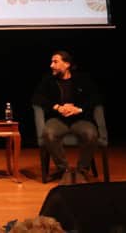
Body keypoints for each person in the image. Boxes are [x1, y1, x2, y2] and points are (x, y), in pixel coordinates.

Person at [31, 50, 102, 184]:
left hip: (80, 119)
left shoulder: (82, 79)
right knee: (49, 134)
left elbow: (95, 98)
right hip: (58, 119)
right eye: (51, 62)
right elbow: (37, 98)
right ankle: (64, 170)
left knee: (91, 134)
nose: (51, 65)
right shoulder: (48, 80)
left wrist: (78, 109)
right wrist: (57, 107)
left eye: (55, 62)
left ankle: (82, 170)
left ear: (67, 64)